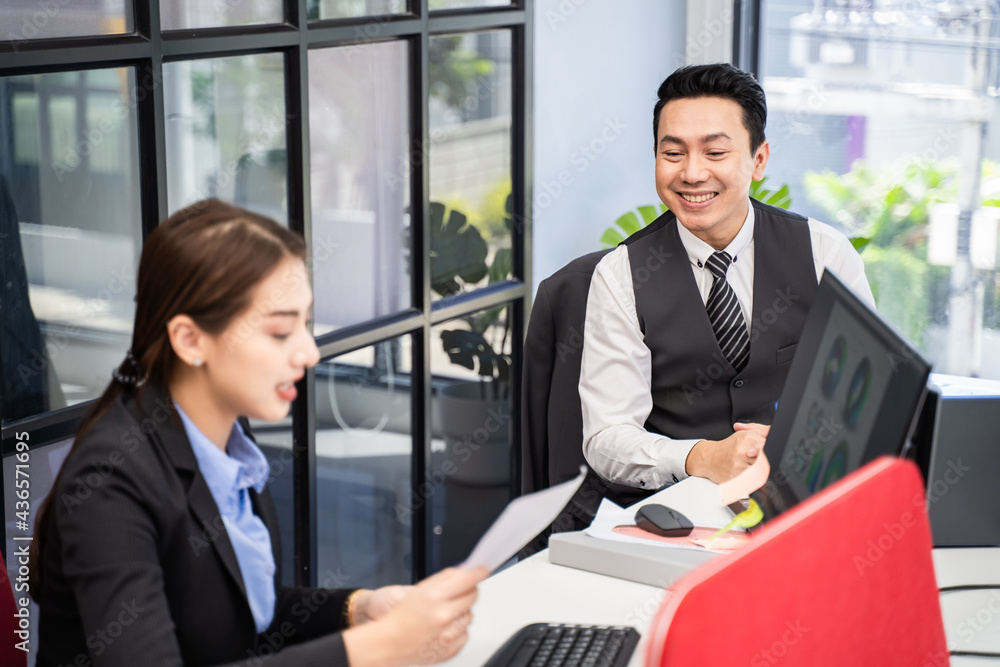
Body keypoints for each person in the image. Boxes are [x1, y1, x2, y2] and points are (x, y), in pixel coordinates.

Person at [31, 200, 487, 667]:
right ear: (190, 340)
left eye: (305, 325)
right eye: (279, 331)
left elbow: (237, 616)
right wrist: (373, 650)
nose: (309, 353)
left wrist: (357, 610)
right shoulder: (110, 480)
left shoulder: (228, 438)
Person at [579, 63, 875, 491]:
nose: (693, 173)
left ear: (758, 160)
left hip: (799, 495)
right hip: (673, 509)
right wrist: (699, 456)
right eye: (673, 153)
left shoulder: (824, 255)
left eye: (715, 153)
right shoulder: (622, 274)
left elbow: (861, 398)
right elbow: (606, 437)